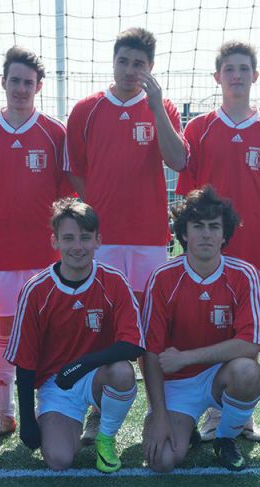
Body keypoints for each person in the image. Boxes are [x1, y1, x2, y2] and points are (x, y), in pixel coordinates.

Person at [66, 26, 187, 444]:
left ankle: (160, 411)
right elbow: (76, 171)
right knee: (100, 325)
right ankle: (98, 414)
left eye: (139, 64)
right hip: (104, 241)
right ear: (113, 61)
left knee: (151, 326)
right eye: (124, 61)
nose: (131, 70)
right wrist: (99, 211)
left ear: (150, 69)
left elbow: (180, 160)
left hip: (151, 239)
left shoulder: (163, 107)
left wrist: (155, 108)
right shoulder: (86, 109)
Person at [175, 40, 260, 444]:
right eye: (229, 69)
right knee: (207, 328)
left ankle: (242, 414)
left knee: (250, 335)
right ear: (217, 77)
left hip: (256, 248)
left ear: (255, 75)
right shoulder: (198, 129)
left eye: (244, 69)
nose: (237, 76)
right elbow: (187, 196)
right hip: (206, 253)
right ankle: (212, 411)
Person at [0, 46, 71, 440]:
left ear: (39, 86)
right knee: (5, 334)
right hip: (3, 252)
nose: (21, 88)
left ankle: (52, 411)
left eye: (28, 82)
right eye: (15, 80)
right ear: (3, 82)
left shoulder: (54, 131)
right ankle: (4, 413)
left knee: (52, 333)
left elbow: (64, 197)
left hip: (47, 254)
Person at [6, 199, 143, 473]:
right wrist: (26, 421)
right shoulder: (36, 290)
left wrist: (82, 364)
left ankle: (105, 436)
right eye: (68, 238)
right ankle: (51, 418)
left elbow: (132, 344)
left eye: (85, 238)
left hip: (97, 376)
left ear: (98, 241)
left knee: (122, 373)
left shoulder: (114, 281)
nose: (77, 246)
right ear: (55, 241)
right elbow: (25, 361)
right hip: (57, 385)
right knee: (58, 460)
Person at [141, 187, 260, 472]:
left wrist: (186, 357)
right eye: (198, 227)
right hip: (177, 384)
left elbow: (249, 345)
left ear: (225, 235)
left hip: (219, 377)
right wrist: (158, 414)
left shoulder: (244, 275)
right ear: (184, 233)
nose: (206, 234)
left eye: (214, 227)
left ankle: (225, 437)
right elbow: (149, 353)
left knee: (248, 372)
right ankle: (184, 427)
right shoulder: (162, 278)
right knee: (162, 461)